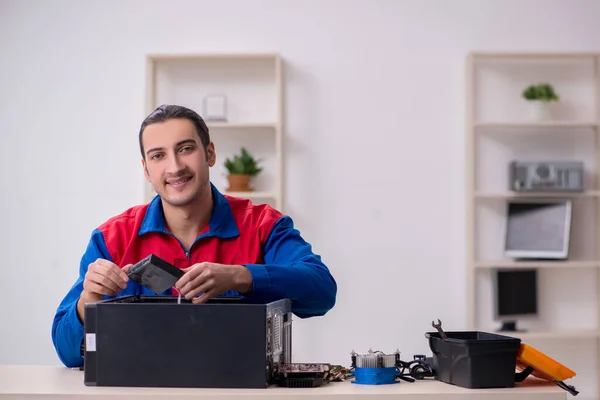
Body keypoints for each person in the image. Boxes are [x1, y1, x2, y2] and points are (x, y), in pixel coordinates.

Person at [51, 104, 337, 368]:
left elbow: (322, 292)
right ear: (146, 170)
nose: (174, 167)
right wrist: (89, 298)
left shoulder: (263, 224)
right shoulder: (112, 237)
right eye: (158, 155)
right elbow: (67, 354)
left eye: (186, 149)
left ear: (210, 153)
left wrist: (240, 276)